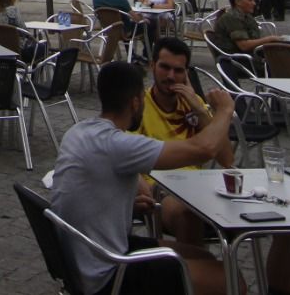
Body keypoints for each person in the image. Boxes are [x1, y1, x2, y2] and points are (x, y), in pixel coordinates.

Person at [50, 61, 235, 295]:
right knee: (232, 281)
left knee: (203, 255)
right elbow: (204, 149)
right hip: (107, 272)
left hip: (84, 257)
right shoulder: (117, 144)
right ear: (136, 102)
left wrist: (124, 204)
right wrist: (225, 111)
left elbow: (95, 188)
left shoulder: (78, 132)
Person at [137, 38, 290, 294]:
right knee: (186, 211)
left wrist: (201, 111)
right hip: (161, 192)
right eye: (164, 67)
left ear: (186, 73)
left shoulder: (193, 105)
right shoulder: (139, 107)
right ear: (151, 66)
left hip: (203, 187)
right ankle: (204, 283)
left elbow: (227, 159)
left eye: (178, 70)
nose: (171, 76)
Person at [210, 0, 290, 59]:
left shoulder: (246, 16)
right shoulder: (232, 17)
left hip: (250, 56)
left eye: (254, 0)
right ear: (238, 1)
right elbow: (244, 46)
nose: (254, 3)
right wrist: (269, 39)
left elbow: (256, 37)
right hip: (238, 61)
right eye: (250, 0)